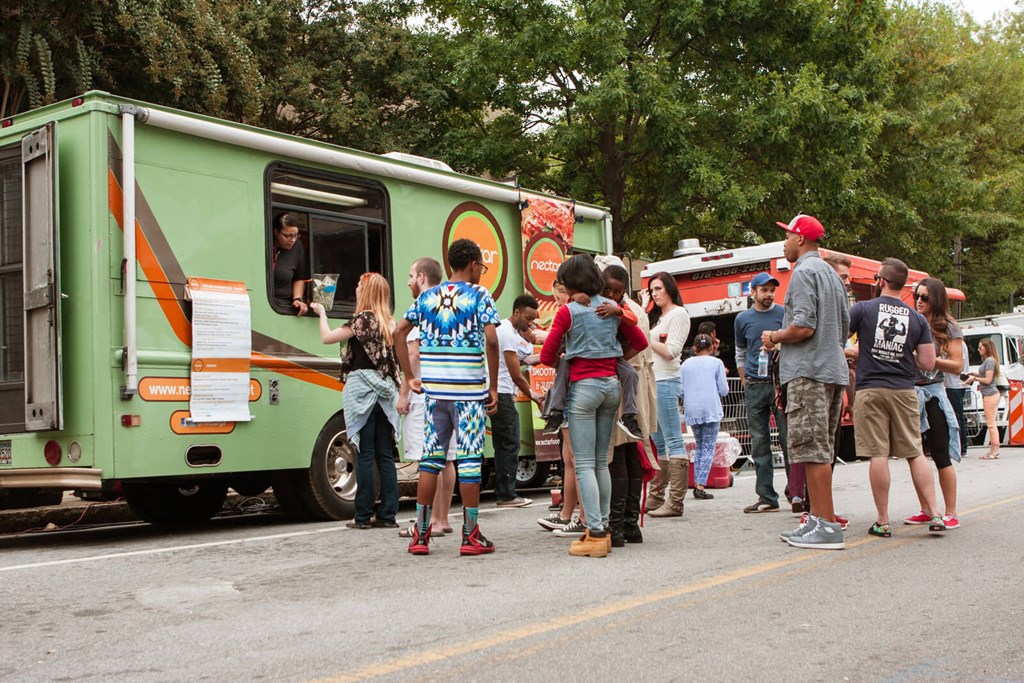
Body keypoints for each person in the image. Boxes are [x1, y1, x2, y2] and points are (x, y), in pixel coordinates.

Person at [394, 238, 501, 556]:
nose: (481, 272)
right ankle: (470, 535)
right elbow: (492, 340)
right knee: (469, 461)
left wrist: (410, 377)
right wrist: (492, 386)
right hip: (468, 393)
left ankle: (421, 534)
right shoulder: (479, 294)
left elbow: (399, 332)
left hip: (435, 394)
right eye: (481, 266)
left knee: (431, 460)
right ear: (472, 265)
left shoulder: (426, 297)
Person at [540, 255, 647, 557]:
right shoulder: (613, 309)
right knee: (602, 462)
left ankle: (596, 532)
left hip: (583, 389)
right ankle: (605, 529)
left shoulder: (569, 311)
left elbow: (547, 356)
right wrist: (614, 356)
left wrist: (568, 353)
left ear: (572, 283)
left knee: (584, 463)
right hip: (611, 386)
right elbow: (640, 340)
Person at [762, 214, 850, 550]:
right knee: (822, 450)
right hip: (832, 369)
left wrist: (774, 336)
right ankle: (818, 520)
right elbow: (842, 328)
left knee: (812, 452)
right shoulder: (831, 273)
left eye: (787, 236)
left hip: (807, 371)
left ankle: (825, 525)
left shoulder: (803, 272)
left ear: (801, 239)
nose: (784, 243)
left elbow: (803, 327)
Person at [846, 257, 946, 540]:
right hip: (904, 389)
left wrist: (860, 353)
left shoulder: (862, 309)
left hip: (871, 388)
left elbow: (839, 337)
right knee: (915, 452)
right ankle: (935, 513)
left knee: (878, 453)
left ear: (881, 281)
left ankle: (883, 520)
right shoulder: (916, 318)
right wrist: (901, 355)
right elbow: (928, 363)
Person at [311, 272, 399, 529]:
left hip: (362, 392)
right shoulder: (390, 323)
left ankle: (361, 516)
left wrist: (321, 313)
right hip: (386, 393)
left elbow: (327, 337)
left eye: (359, 286)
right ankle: (387, 515)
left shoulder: (361, 320)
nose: (356, 289)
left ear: (367, 292)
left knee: (364, 453)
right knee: (385, 455)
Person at [396, 257, 457, 538]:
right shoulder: (448, 304)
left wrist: (405, 390)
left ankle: (428, 522)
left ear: (421, 277)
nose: (408, 281)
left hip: (426, 394)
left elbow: (413, 353)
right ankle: (442, 519)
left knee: (429, 460)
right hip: (451, 390)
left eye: (410, 276)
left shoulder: (421, 305)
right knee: (448, 459)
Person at [599, 262, 657, 547]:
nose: (609, 293)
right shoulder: (633, 308)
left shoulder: (624, 311)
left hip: (624, 384)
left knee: (620, 453)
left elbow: (640, 342)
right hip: (639, 381)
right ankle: (630, 523)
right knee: (632, 453)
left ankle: (618, 525)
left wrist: (615, 357)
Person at [734, 272, 791, 513]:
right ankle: (766, 496)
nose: (768, 294)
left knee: (789, 439)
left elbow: (791, 343)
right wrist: (744, 379)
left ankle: (797, 492)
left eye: (771, 290)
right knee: (759, 442)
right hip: (755, 385)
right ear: (753, 292)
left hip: (779, 383)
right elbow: (740, 350)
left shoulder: (783, 314)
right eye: (764, 290)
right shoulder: (742, 319)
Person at [908, 277, 962, 530]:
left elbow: (957, 365)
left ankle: (950, 511)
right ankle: (927, 508)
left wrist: (930, 359)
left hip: (934, 392)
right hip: (910, 393)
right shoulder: (911, 321)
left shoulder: (949, 327)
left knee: (941, 453)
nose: (919, 301)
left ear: (936, 299)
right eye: (917, 296)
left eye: (925, 297)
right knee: (915, 455)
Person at [644, 271, 691, 518]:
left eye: (659, 288)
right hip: (652, 382)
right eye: (652, 290)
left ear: (670, 288)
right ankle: (657, 497)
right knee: (659, 441)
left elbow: (671, 351)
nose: (655, 293)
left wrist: (646, 337)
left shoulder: (679, 314)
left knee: (672, 439)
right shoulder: (656, 318)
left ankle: (675, 502)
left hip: (666, 380)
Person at [493, 294, 544, 508]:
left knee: (504, 443)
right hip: (503, 393)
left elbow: (519, 362)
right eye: (528, 317)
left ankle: (504, 492)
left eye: (533, 319)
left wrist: (538, 354)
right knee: (510, 443)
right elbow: (516, 374)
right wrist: (535, 397)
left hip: (501, 392)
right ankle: (506, 495)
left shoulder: (509, 331)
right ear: (516, 312)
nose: (530, 323)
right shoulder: (506, 332)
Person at [679, 334, 728, 499]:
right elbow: (724, 389)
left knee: (699, 446)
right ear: (711, 347)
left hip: (693, 409)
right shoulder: (716, 363)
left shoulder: (685, 364)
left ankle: (697, 481)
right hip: (711, 408)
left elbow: (681, 389)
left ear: (694, 348)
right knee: (708, 448)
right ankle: (700, 485)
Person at [967, 337, 1001, 459]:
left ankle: (995, 449)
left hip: (990, 394)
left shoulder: (990, 361)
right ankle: (992, 450)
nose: (978, 349)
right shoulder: (988, 361)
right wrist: (974, 374)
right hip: (988, 394)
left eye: (980, 347)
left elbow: (987, 380)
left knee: (991, 423)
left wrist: (975, 379)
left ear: (986, 348)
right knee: (991, 422)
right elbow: (985, 375)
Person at [271, 213, 309, 315]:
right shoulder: (265, 245)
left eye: (296, 235)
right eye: (288, 236)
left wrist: (297, 299)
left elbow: (299, 278)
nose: (292, 240)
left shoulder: (297, 246)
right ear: (276, 232)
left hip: (284, 305)